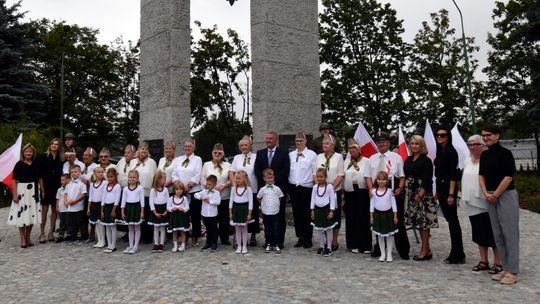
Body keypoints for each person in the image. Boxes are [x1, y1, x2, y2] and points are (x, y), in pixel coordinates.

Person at [479, 125, 519, 285]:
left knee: (510, 233)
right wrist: (486, 193)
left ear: (497, 136)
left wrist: (495, 194)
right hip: (489, 195)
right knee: (498, 233)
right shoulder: (485, 155)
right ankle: (504, 267)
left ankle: (513, 270)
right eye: (483, 135)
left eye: (488, 135)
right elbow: (481, 175)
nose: (486, 138)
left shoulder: (506, 154)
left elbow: (508, 177)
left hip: (505, 195)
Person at [364, 131, 410, 260]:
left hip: (393, 191)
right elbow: (367, 176)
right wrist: (370, 189)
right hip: (377, 191)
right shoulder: (372, 158)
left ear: (389, 143)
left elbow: (402, 176)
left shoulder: (396, 157)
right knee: (379, 220)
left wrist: (400, 188)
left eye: (384, 142)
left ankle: (403, 250)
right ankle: (379, 249)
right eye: (379, 143)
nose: (381, 144)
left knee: (397, 221)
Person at [461, 135, 501, 273]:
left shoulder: (487, 160)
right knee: (478, 232)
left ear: (482, 145)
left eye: (475, 144)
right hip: (471, 202)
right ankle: (484, 260)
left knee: (492, 232)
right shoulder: (467, 161)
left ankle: (498, 262)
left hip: (486, 201)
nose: (472, 147)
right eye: (470, 145)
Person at [403, 135, 438, 261]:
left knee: (424, 223)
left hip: (421, 194)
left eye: (417, 143)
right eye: (412, 143)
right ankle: (426, 249)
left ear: (421, 145)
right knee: (417, 222)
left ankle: (424, 249)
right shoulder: (408, 159)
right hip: (410, 193)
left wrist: (420, 194)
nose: (414, 146)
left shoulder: (426, 160)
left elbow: (428, 179)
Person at [434, 126, 465, 264]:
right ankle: (457, 252)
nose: (440, 137)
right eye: (438, 135)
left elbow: (453, 175)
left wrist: (451, 194)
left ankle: (457, 254)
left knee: (453, 221)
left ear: (448, 137)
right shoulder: (440, 151)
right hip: (441, 188)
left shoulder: (451, 152)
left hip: (448, 189)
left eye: (443, 135)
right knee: (450, 220)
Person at [254, 131, 290, 249]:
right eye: (267, 138)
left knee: (279, 217)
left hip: (278, 190)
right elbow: (257, 169)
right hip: (265, 190)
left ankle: (279, 241)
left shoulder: (283, 153)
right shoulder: (260, 153)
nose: (268, 140)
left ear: (276, 140)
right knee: (267, 218)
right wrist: (266, 181)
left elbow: (286, 170)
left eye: (270, 139)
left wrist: (273, 180)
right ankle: (268, 241)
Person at [7, 143, 44, 248]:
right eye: (26, 151)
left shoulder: (36, 164)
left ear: (33, 153)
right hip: (22, 192)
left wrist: (43, 191)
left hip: (34, 192)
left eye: (30, 151)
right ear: (23, 153)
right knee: (21, 215)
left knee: (32, 215)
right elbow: (14, 181)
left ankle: (28, 237)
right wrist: (14, 194)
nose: (28, 153)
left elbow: (40, 178)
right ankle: (22, 238)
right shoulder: (18, 164)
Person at [314, 135, 344, 251]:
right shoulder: (319, 157)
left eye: (327, 144)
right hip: (321, 191)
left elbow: (340, 175)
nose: (324, 146)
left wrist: (329, 188)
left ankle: (334, 240)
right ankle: (324, 241)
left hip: (334, 190)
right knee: (323, 215)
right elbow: (314, 173)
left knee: (334, 215)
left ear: (333, 146)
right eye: (323, 144)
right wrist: (319, 187)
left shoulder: (339, 157)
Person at [171, 139, 203, 247]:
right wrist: (178, 186)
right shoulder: (179, 159)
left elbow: (197, 174)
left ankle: (195, 236)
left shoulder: (197, 159)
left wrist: (188, 187)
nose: (187, 148)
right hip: (180, 192)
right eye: (186, 146)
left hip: (193, 192)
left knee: (195, 216)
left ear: (194, 148)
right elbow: (174, 173)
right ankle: (184, 236)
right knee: (183, 215)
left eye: (190, 146)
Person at [288, 132, 317, 249]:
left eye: (301, 140)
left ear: (305, 141)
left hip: (307, 187)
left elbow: (315, 171)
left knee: (307, 214)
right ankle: (300, 237)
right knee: (297, 213)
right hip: (294, 187)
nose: (299, 143)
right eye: (297, 141)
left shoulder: (312, 155)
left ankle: (308, 238)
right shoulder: (290, 155)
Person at [229, 136, 259, 246]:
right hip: (239, 190)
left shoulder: (256, 156)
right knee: (239, 212)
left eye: (246, 145)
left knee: (253, 212)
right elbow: (231, 172)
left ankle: (253, 236)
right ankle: (238, 238)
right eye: (242, 145)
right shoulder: (237, 157)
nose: (244, 147)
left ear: (250, 146)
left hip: (252, 189)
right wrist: (234, 185)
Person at [343, 138, 371, 254]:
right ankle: (353, 243)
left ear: (359, 149)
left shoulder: (366, 161)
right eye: (350, 148)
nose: (352, 150)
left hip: (362, 191)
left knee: (363, 217)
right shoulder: (347, 162)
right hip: (350, 191)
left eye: (354, 148)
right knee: (351, 218)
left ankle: (365, 244)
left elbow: (368, 176)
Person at [202, 143, 232, 245]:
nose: (217, 154)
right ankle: (212, 239)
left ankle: (224, 238)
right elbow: (202, 180)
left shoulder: (228, 165)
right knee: (212, 220)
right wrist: (211, 188)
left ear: (223, 154)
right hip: (211, 198)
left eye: (219, 153)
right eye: (215, 152)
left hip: (224, 196)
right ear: (212, 154)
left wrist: (224, 185)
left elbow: (231, 180)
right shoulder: (206, 165)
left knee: (224, 219)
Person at [129, 142, 157, 244]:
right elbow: (131, 175)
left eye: (145, 149)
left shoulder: (152, 162)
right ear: (138, 151)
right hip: (135, 192)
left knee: (146, 213)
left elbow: (154, 177)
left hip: (147, 192)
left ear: (148, 151)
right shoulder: (133, 162)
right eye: (141, 149)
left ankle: (147, 237)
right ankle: (136, 236)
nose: (143, 151)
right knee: (137, 213)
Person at [37, 138, 63, 243]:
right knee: (44, 210)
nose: (54, 145)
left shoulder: (61, 159)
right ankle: (42, 233)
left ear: (59, 147)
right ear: (50, 145)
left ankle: (51, 232)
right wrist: (42, 190)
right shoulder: (43, 157)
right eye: (52, 143)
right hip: (46, 186)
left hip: (57, 187)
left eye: (56, 144)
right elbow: (40, 176)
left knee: (54, 210)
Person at [370, 171, 398, 262]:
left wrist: (395, 216)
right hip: (378, 215)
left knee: (389, 236)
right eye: (379, 179)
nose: (381, 181)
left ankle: (389, 254)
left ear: (387, 181)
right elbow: (372, 205)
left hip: (388, 216)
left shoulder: (390, 191)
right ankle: (383, 254)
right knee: (380, 236)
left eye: (383, 179)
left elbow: (394, 204)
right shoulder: (373, 191)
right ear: (376, 180)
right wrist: (371, 216)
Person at [310, 168, 337, 257]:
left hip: (326, 210)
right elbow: (313, 199)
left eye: (321, 177)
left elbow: (332, 200)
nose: (319, 179)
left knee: (329, 229)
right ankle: (321, 246)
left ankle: (329, 247)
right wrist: (312, 210)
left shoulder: (329, 187)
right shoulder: (315, 187)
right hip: (317, 211)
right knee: (319, 229)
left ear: (326, 177)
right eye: (318, 177)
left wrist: (332, 211)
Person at [258, 169, 285, 254]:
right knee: (267, 228)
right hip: (266, 212)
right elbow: (258, 197)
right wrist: (263, 204)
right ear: (264, 179)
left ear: (274, 178)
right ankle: (268, 243)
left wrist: (275, 203)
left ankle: (276, 243)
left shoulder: (277, 189)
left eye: (271, 178)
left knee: (276, 228)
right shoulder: (263, 189)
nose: (270, 179)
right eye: (268, 178)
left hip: (275, 211)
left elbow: (280, 197)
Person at [120, 170, 145, 254]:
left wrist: (142, 212)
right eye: (130, 177)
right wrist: (122, 211)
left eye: (134, 177)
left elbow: (142, 201)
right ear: (128, 178)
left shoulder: (140, 188)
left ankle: (136, 246)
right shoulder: (126, 189)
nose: (132, 179)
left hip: (136, 208)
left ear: (137, 179)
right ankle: (130, 245)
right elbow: (123, 201)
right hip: (129, 209)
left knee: (137, 227)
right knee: (130, 228)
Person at [229, 170, 254, 254]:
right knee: (237, 229)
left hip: (244, 209)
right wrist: (230, 212)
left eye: (239, 178)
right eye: (236, 178)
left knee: (244, 229)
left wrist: (249, 213)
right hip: (236, 209)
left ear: (244, 179)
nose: (237, 180)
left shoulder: (248, 189)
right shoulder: (233, 189)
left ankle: (244, 246)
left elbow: (251, 202)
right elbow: (231, 201)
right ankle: (239, 246)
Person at [194, 175, 221, 252]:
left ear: (214, 185)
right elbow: (196, 195)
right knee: (208, 229)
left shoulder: (217, 193)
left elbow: (218, 202)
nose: (208, 186)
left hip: (213, 214)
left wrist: (210, 201)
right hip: (205, 213)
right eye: (207, 184)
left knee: (214, 229)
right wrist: (201, 198)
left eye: (210, 184)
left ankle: (214, 243)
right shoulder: (204, 191)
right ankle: (208, 242)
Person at [64, 165, 88, 243]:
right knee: (71, 223)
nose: (73, 173)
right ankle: (73, 237)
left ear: (80, 172)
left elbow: (83, 194)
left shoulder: (82, 183)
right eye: (72, 172)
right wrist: (65, 201)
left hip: (78, 206)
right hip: (70, 207)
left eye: (75, 172)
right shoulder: (69, 184)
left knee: (81, 222)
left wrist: (74, 201)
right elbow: (66, 193)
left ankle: (84, 236)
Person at [148, 170, 170, 253]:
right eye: (163, 179)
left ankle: (161, 243)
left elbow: (168, 200)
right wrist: (154, 212)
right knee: (156, 228)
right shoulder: (153, 190)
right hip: (156, 210)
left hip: (163, 209)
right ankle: (156, 243)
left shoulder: (165, 190)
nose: (165, 181)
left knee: (162, 227)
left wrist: (166, 211)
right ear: (158, 179)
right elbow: (151, 201)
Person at [101, 168, 121, 253]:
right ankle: (109, 244)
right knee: (107, 226)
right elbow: (103, 198)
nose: (109, 179)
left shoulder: (117, 186)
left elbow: (117, 199)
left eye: (111, 177)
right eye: (108, 177)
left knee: (112, 226)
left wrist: (114, 210)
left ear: (115, 177)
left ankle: (113, 245)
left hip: (113, 207)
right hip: (106, 207)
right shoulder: (106, 186)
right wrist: (102, 210)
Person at [167, 181, 191, 252]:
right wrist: (172, 209)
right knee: (174, 232)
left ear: (183, 190)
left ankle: (183, 245)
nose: (179, 191)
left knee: (182, 231)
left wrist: (183, 209)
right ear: (174, 190)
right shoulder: (171, 198)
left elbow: (187, 207)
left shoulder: (184, 198)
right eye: (177, 189)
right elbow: (168, 207)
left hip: (182, 217)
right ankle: (175, 245)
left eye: (180, 189)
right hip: (174, 217)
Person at [87, 166, 107, 248]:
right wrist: (88, 207)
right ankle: (99, 240)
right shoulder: (92, 184)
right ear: (94, 174)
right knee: (96, 223)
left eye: (102, 172)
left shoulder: (105, 183)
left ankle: (103, 241)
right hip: (94, 205)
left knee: (101, 223)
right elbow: (90, 196)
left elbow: (104, 196)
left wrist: (102, 207)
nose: (101, 174)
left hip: (101, 205)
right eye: (98, 172)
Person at [81, 147, 98, 242]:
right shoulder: (82, 166)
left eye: (87, 155)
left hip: (91, 195)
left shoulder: (95, 167)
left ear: (92, 157)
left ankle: (92, 233)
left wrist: (88, 181)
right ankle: (84, 233)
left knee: (91, 214)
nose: (84, 157)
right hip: (82, 195)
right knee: (83, 215)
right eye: (84, 155)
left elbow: (95, 180)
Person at [55, 174, 70, 243]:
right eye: (61, 180)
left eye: (63, 180)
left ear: (68, 180)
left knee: (68, 222)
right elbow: (57, 199)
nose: (62, 181)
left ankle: (68, 234)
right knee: (62, 222)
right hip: (61, 208)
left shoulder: (70, 188)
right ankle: (61, 234)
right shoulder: (59, 189)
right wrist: (57, 206)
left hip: (68, 208)